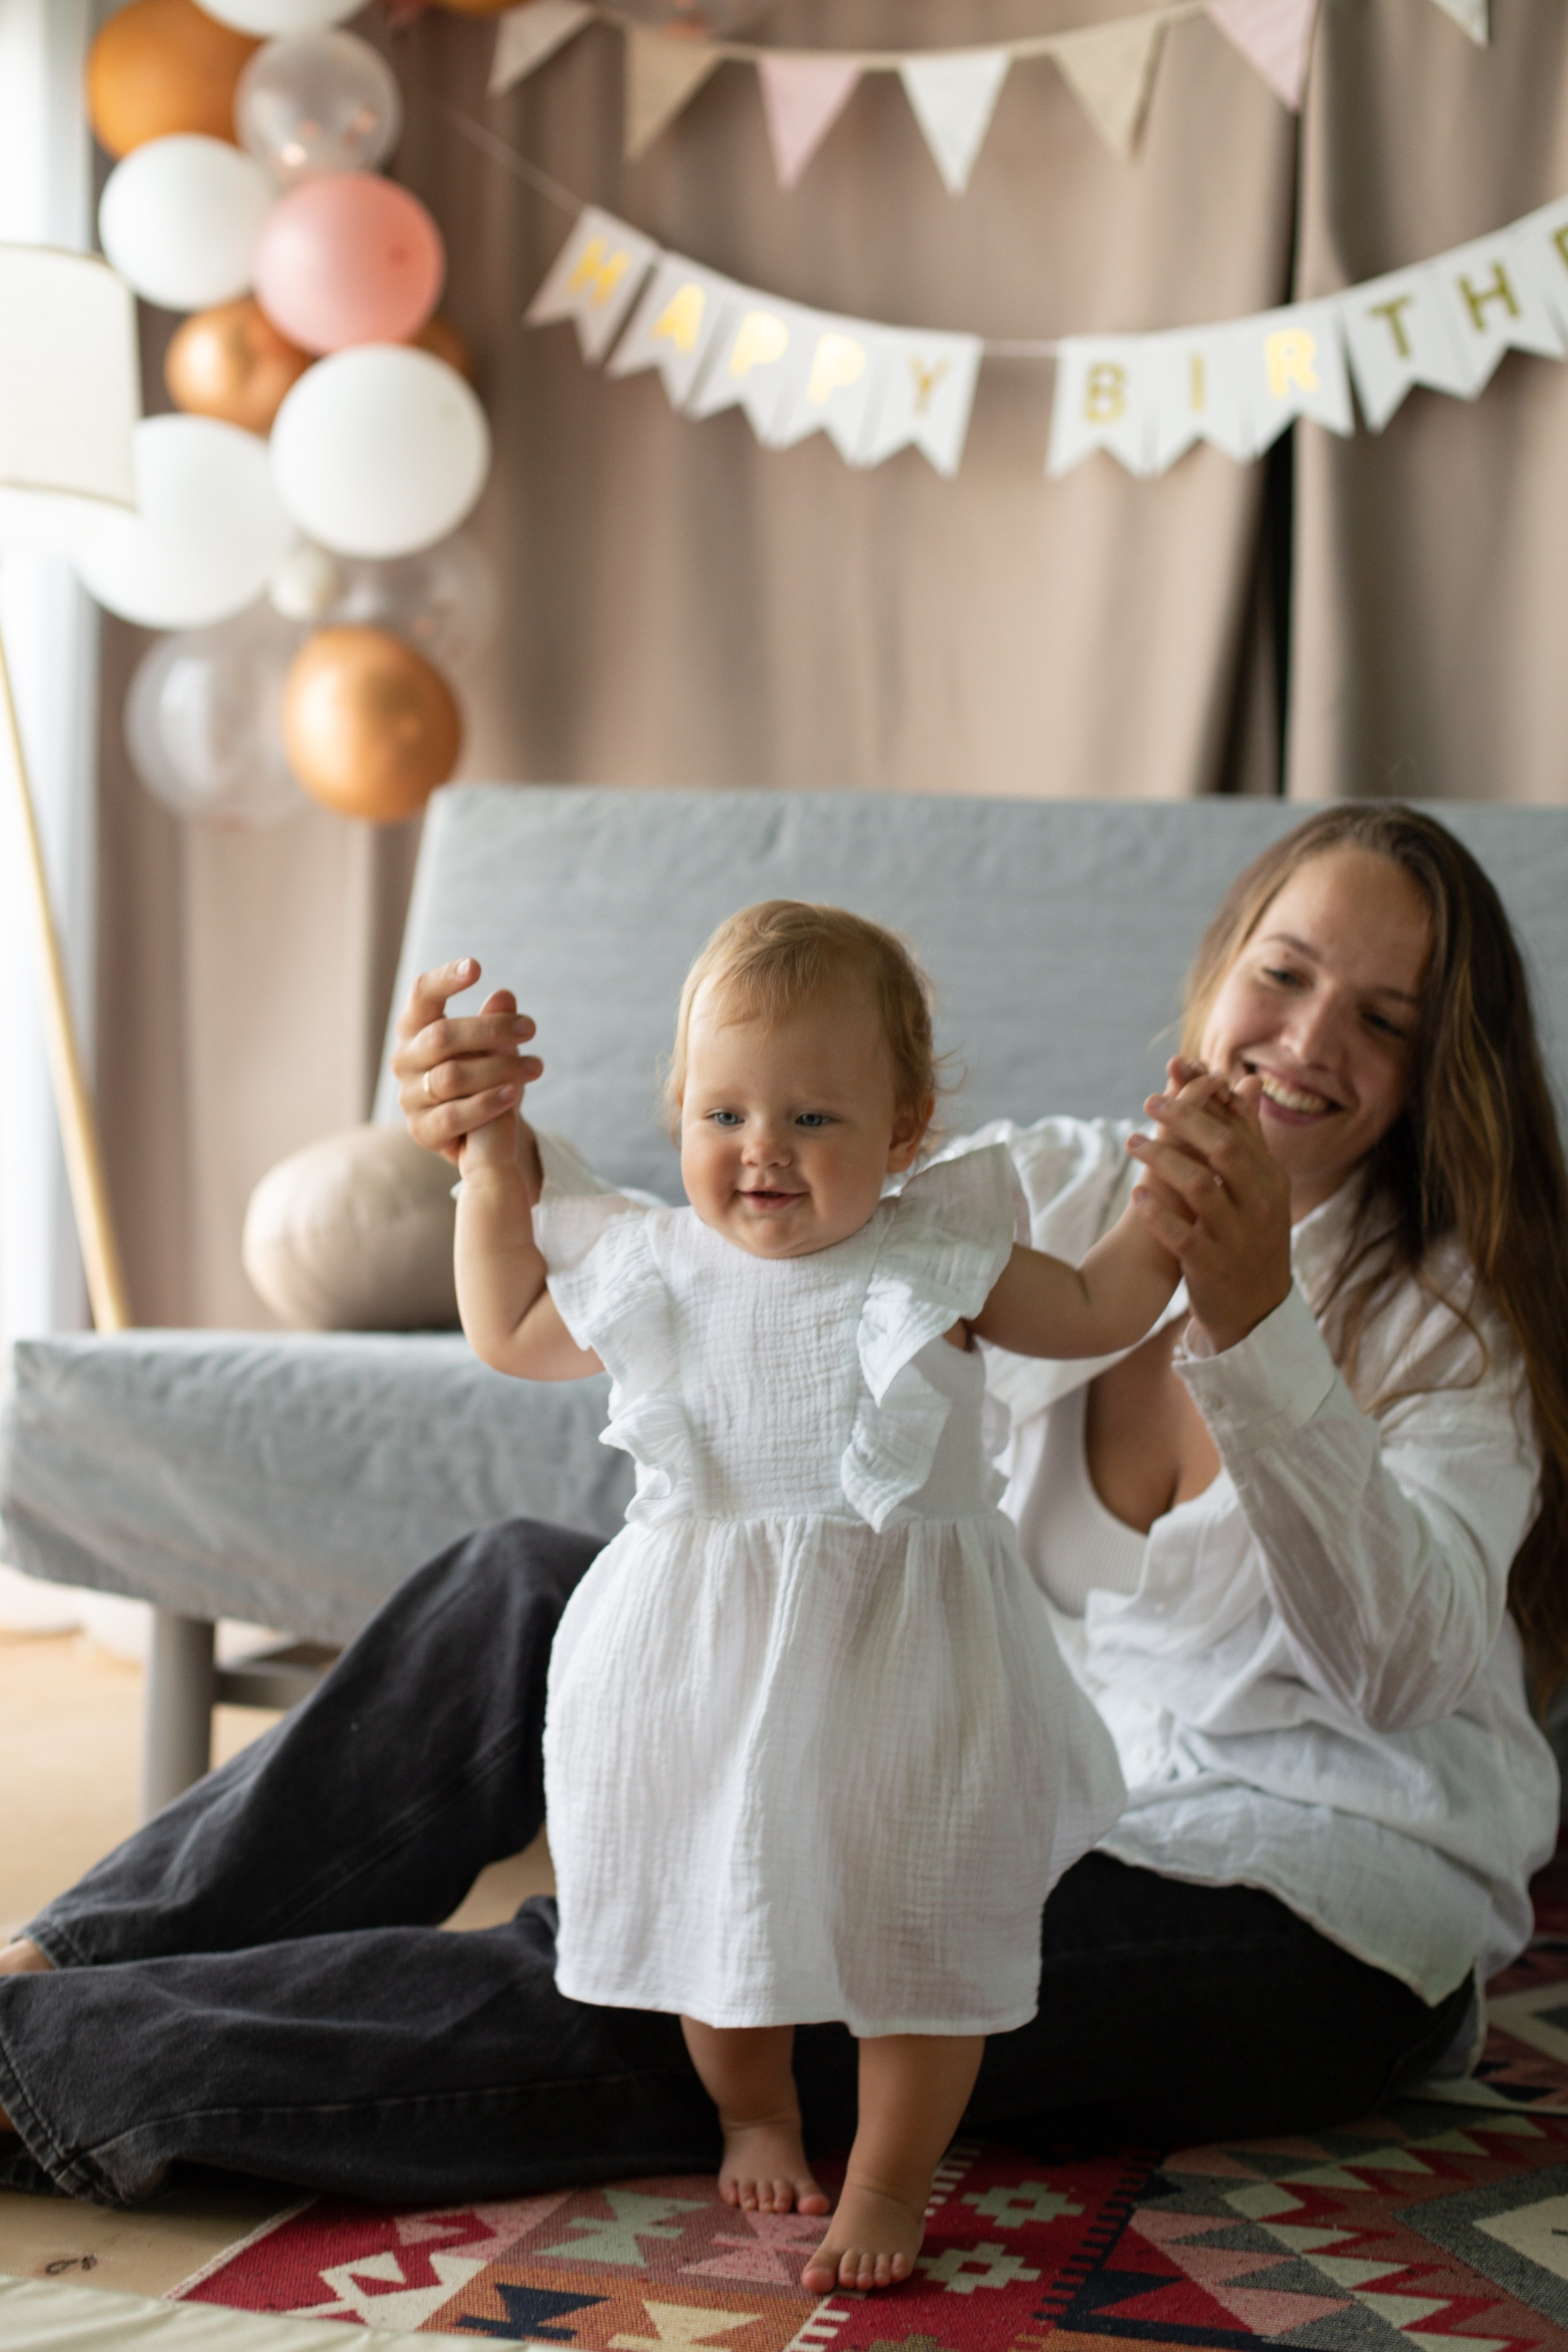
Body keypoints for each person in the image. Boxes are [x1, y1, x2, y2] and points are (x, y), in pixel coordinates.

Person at [0, 804, 1562, 2217]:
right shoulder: (1050, 1195)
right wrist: (489, 1140)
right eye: (1279, 976)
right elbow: (765, 1197)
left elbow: (1403, 1677)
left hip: (1300, 1900)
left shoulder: (1450, 1327)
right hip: (960, 1744)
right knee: (517, 1589)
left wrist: (1256, 1327)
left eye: (1380, 1019)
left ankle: (45, 2065)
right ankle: (66, 1956)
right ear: (1217, 972)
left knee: (711, 1947)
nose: (1301, 1040)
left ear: (1439, 1072)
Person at [454, 899, 1208, 2289]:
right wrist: (490, 1159)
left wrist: (1175, 1209)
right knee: (708, 1899)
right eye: (725, 1114)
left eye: (813, 1120)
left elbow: (1103, 1312)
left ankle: (888, 2173)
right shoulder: (649, 1267)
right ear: (678, 1110)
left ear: (904, 1129)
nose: (762, 1154)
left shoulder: (938, 1262)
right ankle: (753, 2105)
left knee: (922, 1925)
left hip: (909, 1662)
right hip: (699, 1664)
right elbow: (505, 1328)